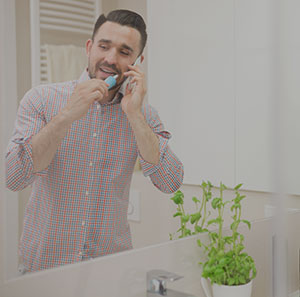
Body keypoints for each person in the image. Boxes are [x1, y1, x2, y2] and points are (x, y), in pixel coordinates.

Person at [5, 9, 183, 273]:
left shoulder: (143, 114)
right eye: (104, 46)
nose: (110, 59)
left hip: (110, 270)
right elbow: (14, 178)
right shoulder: (41, 99)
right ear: (89, 47)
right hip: (44, 270)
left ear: (137, 61)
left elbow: (170, 182)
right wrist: (67, 115)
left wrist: (134, 115)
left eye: (124, 52)